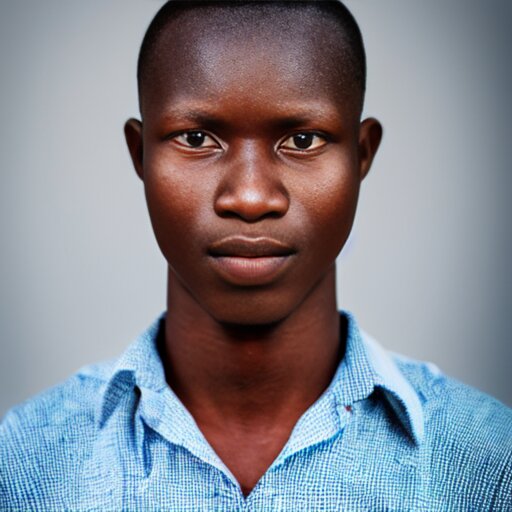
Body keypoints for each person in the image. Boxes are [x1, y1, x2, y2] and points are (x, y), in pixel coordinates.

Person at [1, 1, 510, 510]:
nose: (249, 197)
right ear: (141, 156)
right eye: (197, 139)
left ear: (361, 156)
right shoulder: (23, 465)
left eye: (303, 140)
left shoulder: (489, 465)